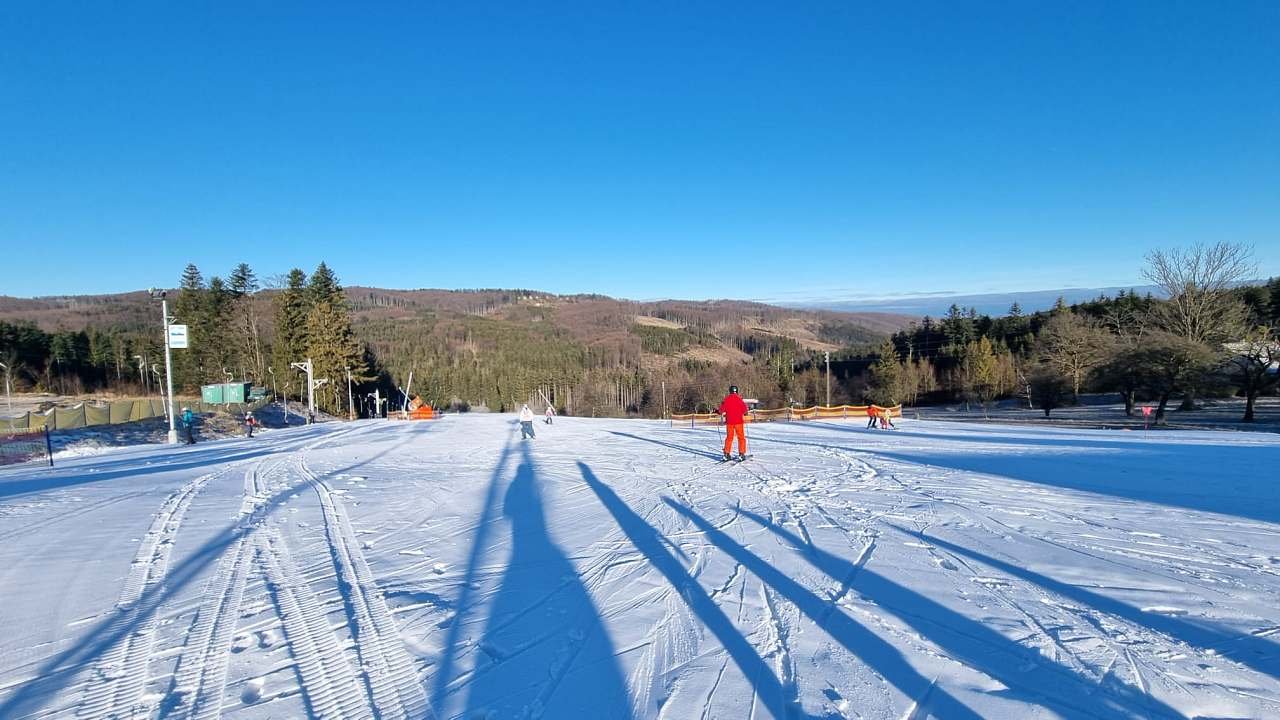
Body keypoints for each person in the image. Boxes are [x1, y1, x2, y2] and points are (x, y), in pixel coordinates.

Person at [717, 385, 749, 461]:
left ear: (730, 391)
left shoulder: (726, 399)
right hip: (738, 422)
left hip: (729, 422)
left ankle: (726, 453)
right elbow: (745, 411)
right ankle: (741, 454)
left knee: (729, 438)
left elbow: (721, 411)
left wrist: (717, 411)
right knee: (741, 438)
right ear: (736, 391)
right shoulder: (739, 399)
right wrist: (744, 413)